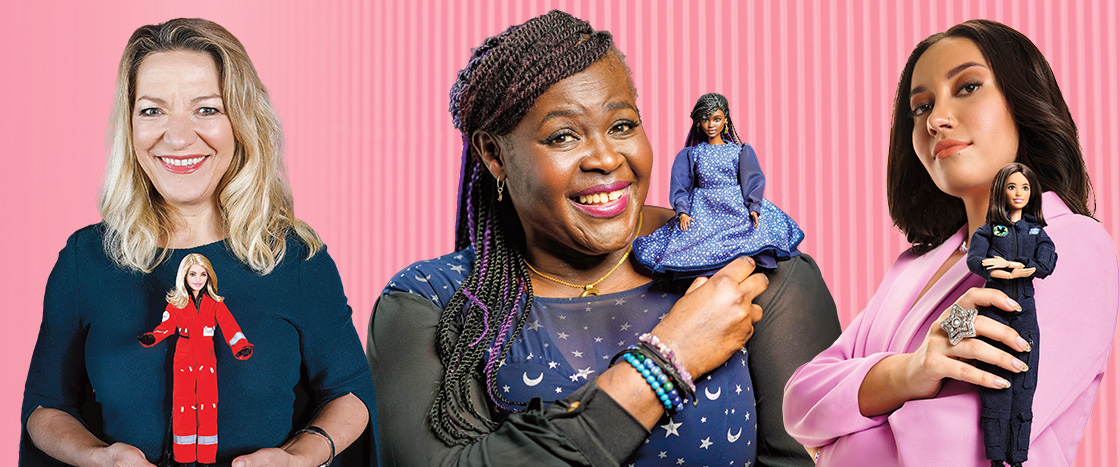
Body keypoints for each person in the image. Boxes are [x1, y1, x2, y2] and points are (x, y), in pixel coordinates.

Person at [368, 10, 839, 467]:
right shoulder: (432, 304)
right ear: (494, 154)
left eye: (622, 126)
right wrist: (663, 364)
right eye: (563, 137)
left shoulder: (749, 272)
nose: (607, 158)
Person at [21, 18, 375, 467]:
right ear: (130, 127)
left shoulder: (298, 257)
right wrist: (99, 458)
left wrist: (301, 458)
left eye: (206, 109)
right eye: (152, 110)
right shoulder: (84, 260)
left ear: (242, 122)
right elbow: (45, 406)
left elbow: (350, 392)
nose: (179, 136)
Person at [782, 19, 1117, 466]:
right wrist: (909, 372)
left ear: (1024, 102)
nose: (936, 120)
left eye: (968, 86)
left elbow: (963, 446)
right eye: (920, 107)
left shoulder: (1071, 245)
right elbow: (800, 402)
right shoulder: (911, 268)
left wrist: (842, 438)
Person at [633, 93, 804, 277]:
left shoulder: (739, 151)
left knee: (754, 232)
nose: (711, 124)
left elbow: (752, 180)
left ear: (725, 121)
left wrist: (754, 207)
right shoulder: (693, 154)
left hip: (735, 206)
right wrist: (682, 211)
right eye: (705, 119)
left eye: (716, 119)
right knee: (690, 239)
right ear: (699, 122)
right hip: (704, 208)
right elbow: (681, 185)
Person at [965, 162, 1056, 466]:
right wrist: (1005, 268)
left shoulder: (1035, 229)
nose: (1019, 193)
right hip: (994, 314)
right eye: (1012, 186)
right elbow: (977, 259)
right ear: (1001, 190)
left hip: (1025, 315)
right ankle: (994, 459)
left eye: (1025, 187)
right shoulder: (990, 229)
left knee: (1024, 389)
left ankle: (1017, 458)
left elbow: (1046, 261)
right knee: (994, 387)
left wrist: (1022, 267)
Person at [138, 253, 255, 464]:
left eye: (202, 274)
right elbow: (165, 326)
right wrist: (152, 337)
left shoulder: (215, 304)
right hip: (183, 355)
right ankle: (183, 458)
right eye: (193, 274)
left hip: (206, 356)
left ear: (209, 277)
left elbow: (231, 327)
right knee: (183, 405)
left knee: (208, 405)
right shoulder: (176, 305)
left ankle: (207, 459)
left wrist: (241, 346)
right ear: (184, 276)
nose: (198, 279)